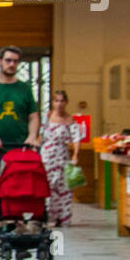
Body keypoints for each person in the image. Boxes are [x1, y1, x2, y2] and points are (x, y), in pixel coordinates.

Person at [0, 45, 40, 182]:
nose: (12, 64)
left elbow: (33, 116)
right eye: (8, 60)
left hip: (21, 148)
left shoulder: (25, 89)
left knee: (19, 188)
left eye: (15, 61)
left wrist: (32, 136)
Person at [41, 89, 81, 226]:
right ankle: (49, 216)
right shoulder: (46, 117)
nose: (59, 104)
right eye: (56, 101)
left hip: (62, 154)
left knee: (63, 186)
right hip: (47, 155)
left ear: (66, 102)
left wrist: (75, 154)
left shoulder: (70, 119)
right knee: (48, 185)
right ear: (52, 102)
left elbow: (76, 137)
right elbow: (39, 134)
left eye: (62, 101)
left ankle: (64, 217)